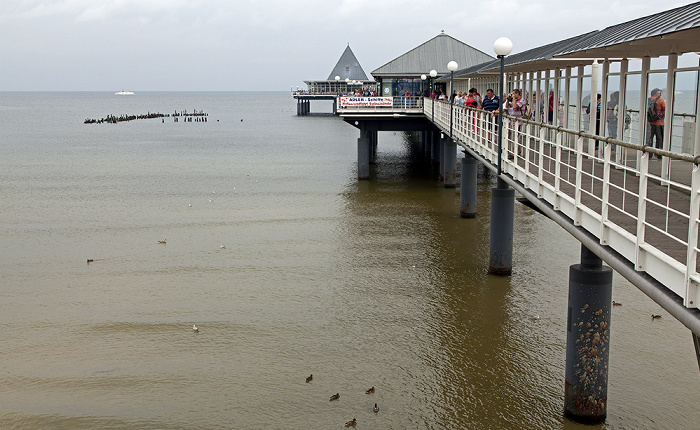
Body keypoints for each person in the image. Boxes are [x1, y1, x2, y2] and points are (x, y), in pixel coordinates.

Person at [647, 88, 666, 159]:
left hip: (649, 122)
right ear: (657, 93)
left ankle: (649, 153)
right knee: (659, 139)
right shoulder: (660, 101)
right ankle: (658, 153)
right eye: (660, 93)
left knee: (649, 138)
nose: (660, 94)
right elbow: (665, 108)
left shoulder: (648, 100)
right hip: (659, 122)